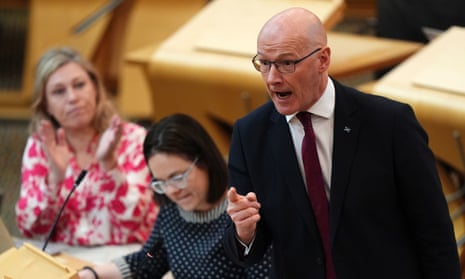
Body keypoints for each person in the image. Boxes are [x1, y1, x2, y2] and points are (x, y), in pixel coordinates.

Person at [223, 7, 461, 279]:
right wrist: (245, 231)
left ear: (323, 59)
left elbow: (434, 232)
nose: (272, 78)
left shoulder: (390, 124)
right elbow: (245, 252)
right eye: (264, 63)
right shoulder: (250, 135)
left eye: (286, 63)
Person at [78, 113, 272, 279]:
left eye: (178, 177)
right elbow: (148, 261)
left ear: (205, 160)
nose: (172, 190)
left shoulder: (243, 208)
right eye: (161, 182)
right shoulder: (172, 209)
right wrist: (92, 274)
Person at [15, 47, 157, 246]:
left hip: (124, 262)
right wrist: (55, 179)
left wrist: (110, 165)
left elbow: (134, 223)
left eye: (79, 85)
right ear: (46, 105)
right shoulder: (41, 145)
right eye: (58, 91)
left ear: (96, 90)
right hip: (64, 262)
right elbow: (30, 228)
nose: (72, 97)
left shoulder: (134, 138)